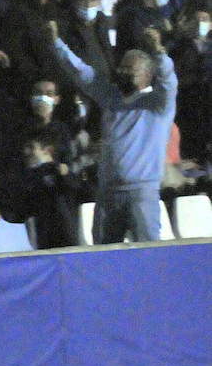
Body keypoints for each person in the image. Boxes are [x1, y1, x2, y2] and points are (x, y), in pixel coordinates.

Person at [49, 22, 176, 243]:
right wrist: (56, 43)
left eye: (130, 70)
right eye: (122, 68)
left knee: (148, 253)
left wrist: (158, 53)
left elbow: (168, 81)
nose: (122, 73)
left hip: (142, 192)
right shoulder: (111, 98)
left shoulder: (157, 104)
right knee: (103, 254)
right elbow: (81, 73)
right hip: (107, 191)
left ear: (147, 74)